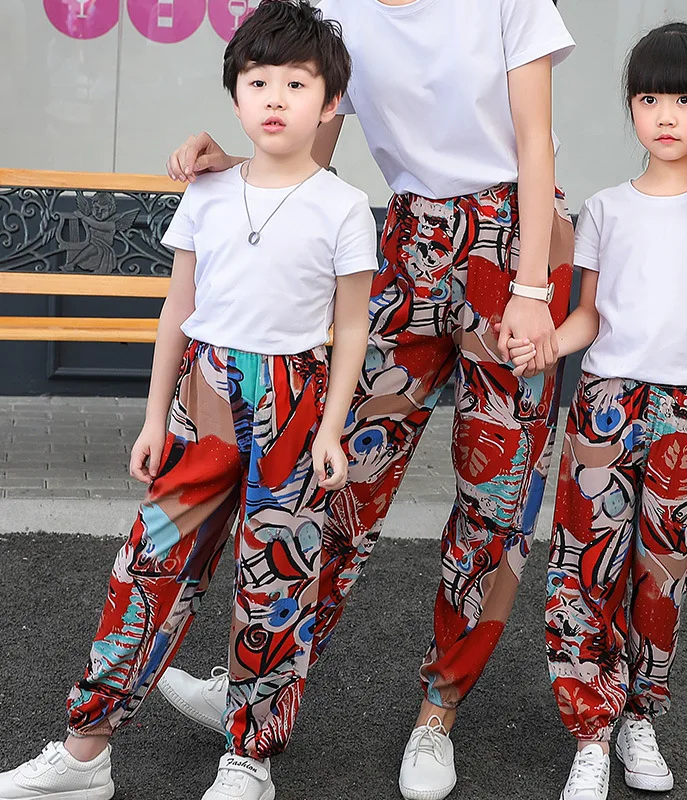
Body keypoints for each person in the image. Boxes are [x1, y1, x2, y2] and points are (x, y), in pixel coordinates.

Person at [161, 1, 576, 798]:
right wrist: (241, 160)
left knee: (496, 496)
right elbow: (311, 140)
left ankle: (437, 713)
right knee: (340, 473)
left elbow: (532, 141)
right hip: (409, 240)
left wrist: (529, 285)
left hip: (510, 243)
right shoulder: (337, 11)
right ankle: (260, 688)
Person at [0, 4, 376, 799]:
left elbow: (351, 329)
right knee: (147, 564)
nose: (276, 97)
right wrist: (150, 415)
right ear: (236, 97)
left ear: (331, 102)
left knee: (276, 581)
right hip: (203, 396)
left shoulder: (343, 208)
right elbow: (177, 311)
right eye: (258, 81)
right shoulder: (206, 192)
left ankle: (249, 757)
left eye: (297, 83)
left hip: (297, 401)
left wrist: (334, 428)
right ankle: (84, 752)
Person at [505, 21, 687, 800]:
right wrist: (552, 342)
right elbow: (593, 316)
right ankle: (591, 731)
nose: (664, 114)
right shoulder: (607, 209)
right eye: (648, 97)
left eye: (685, 97)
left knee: (663, 576)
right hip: (606, 407)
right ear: (630, 107)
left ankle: (639, 717)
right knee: (584, 573)